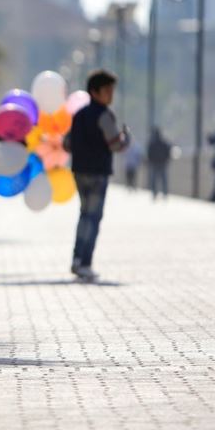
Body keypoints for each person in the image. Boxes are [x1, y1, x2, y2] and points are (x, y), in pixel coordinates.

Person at [64, 70, 131, 282]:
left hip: (79, 170)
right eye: (107, 90)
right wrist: (126, 138)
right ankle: (85, 263)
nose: (110, 95)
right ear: (95, 92)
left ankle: (77, 258)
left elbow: (66, 144)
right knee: (93, 218)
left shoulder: (78, 115)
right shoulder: (105, 115)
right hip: (98, 172)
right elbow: (116, 144)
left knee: (83, 215)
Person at [146, 127, 172, 200]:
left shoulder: (152, 143)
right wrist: (166, 160)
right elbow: (168, 152)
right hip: (162, 163)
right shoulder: (164, 142)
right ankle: (165, 193)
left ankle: (155, 193)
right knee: (164, 180)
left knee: (154, 180)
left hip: (155, 163)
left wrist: (150, 161)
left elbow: (149, 154)